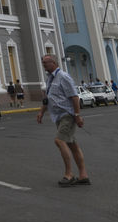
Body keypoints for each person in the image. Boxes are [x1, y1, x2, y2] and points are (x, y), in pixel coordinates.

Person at [36, 54, 89, 186]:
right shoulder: (49, 79)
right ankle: (83, 175)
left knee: (59, 140)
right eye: (43, 63)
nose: (43, 65)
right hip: (58, 116)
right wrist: (41, 112)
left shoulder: (63, 77)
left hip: (67, 115)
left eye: (46, 63)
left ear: (53, 62)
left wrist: (77, 115)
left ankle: (69, 174)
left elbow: (75, 97)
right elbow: (48, 97)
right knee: (72, 145)